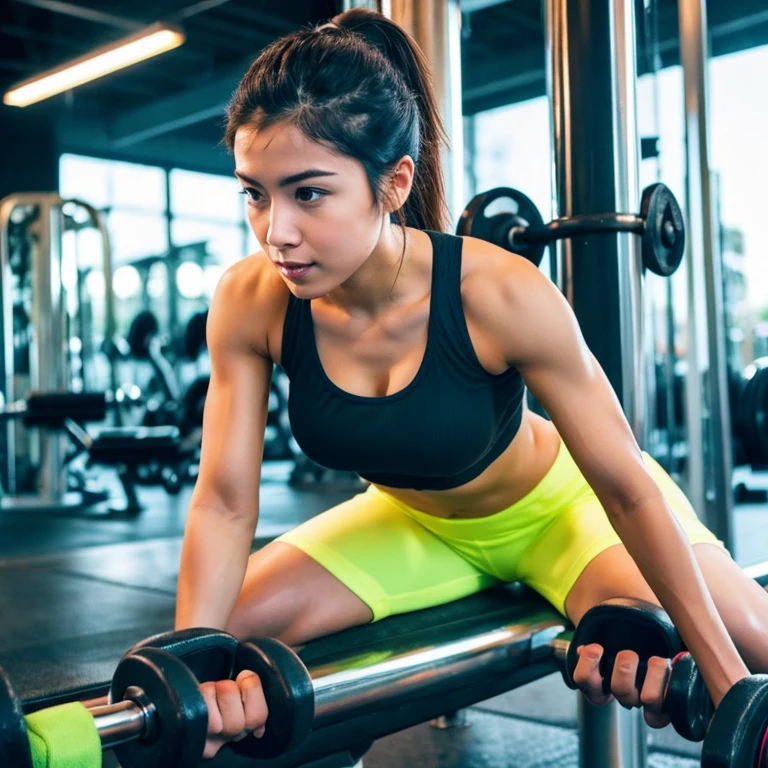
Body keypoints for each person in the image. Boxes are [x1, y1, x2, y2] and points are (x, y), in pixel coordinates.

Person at [174, 8, 768, 759]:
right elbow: (225, 499)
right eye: (254, 193)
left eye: (309, 193)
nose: (275, 231)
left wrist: (730, 690)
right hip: (412, 524)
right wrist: (187, 664)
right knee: (224, 633)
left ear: (392, 184)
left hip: (563, 513)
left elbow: (626, 487)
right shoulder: (249, 300)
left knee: (742, 636)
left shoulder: (497, 294)